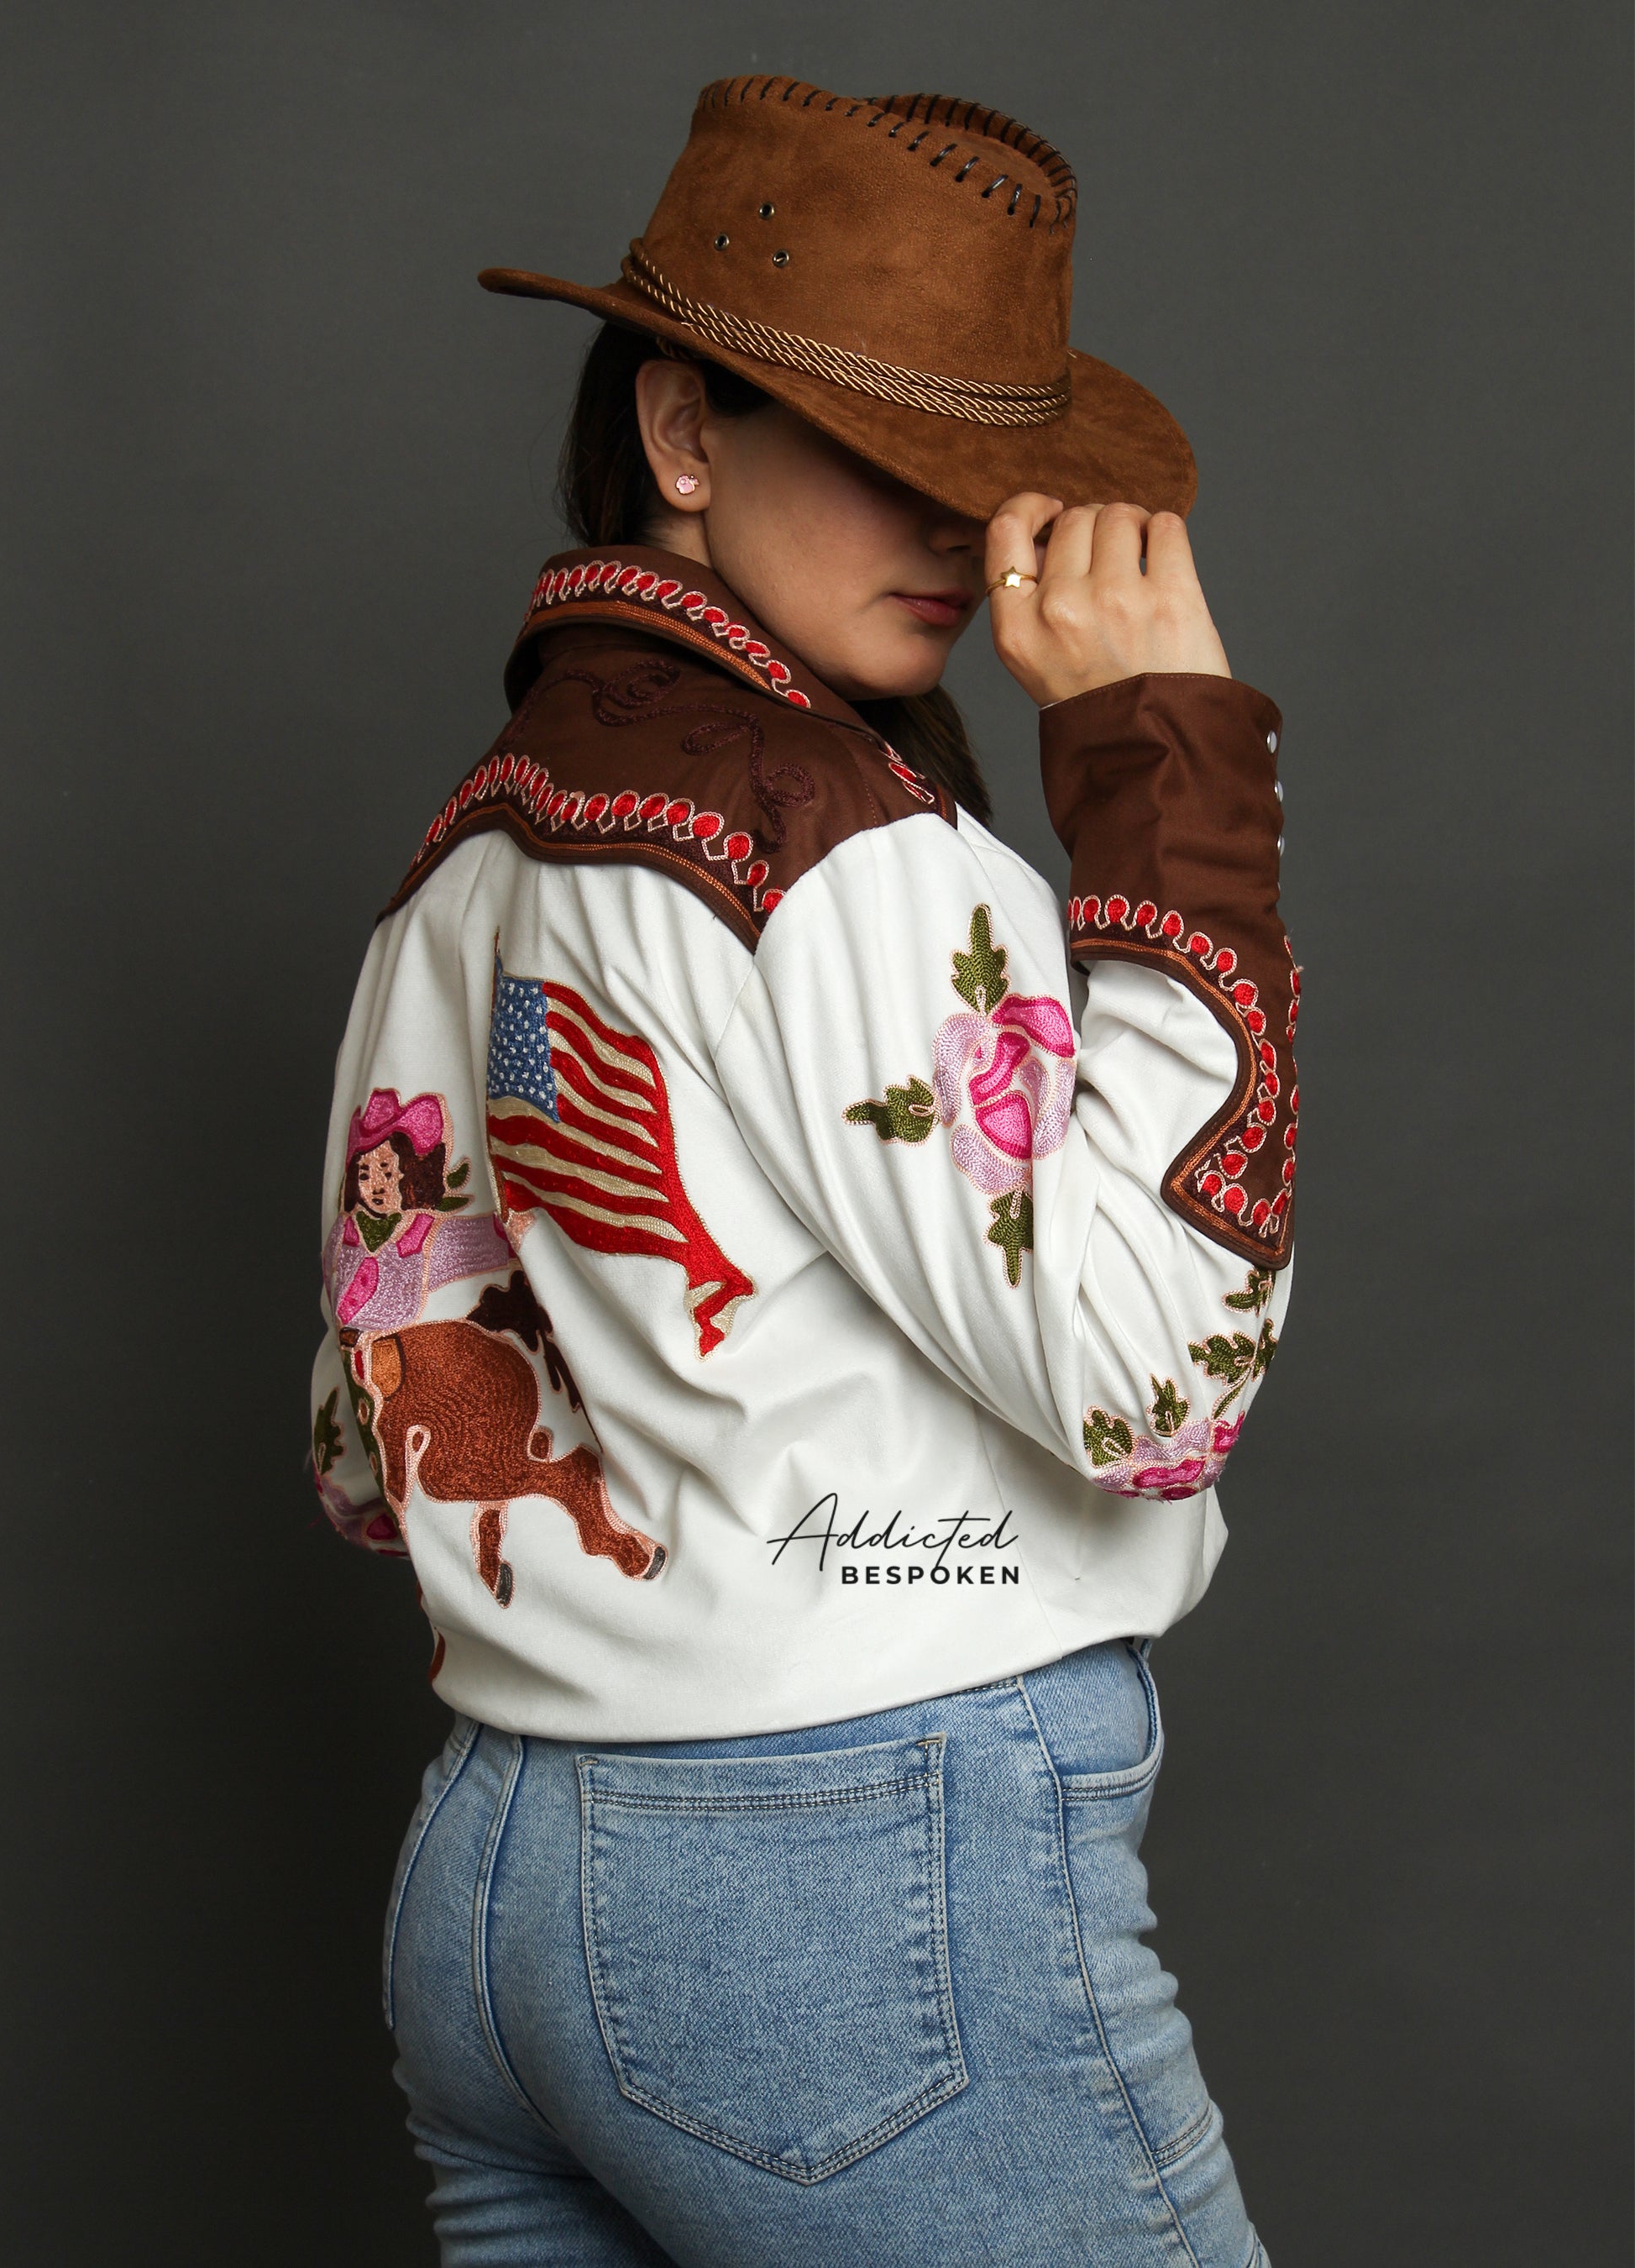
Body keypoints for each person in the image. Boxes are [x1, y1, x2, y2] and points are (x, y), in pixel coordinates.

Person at [309, 76, 1294, 2267]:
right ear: (678, 435)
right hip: (837, 1893)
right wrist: (1166, 786)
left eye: (994, 473)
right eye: (887, 458)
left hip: (494, 1895)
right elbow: (1156, 1387)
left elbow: (376, 1451)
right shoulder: (852, 853)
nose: (956, 531)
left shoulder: (467, 849)